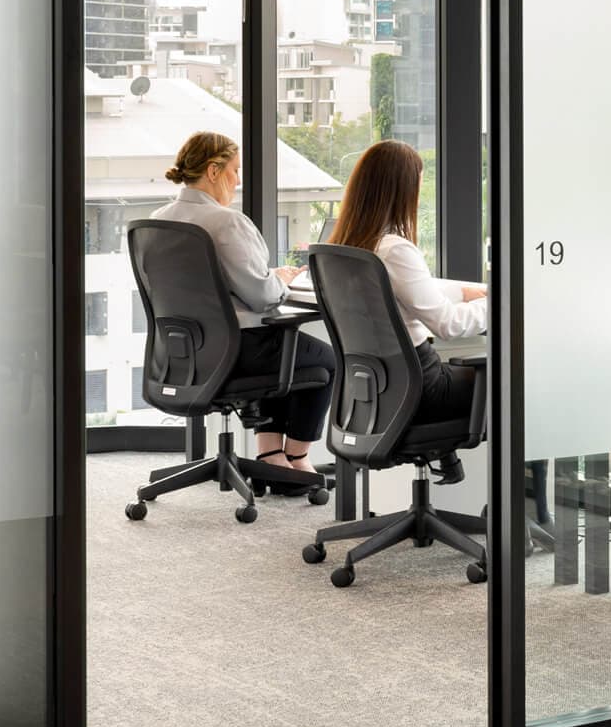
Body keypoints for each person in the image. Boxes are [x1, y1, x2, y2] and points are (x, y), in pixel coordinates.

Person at [152, 132, 338, 485]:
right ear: (213, 170)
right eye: (235, 171)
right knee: (325, 362)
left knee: (288, 353)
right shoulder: (227, 222)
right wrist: (280, 279)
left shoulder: (157, 220)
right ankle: (297, 460)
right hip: (237, 350)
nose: (238, 180)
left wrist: (265, 280)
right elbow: (263, 297)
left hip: (182, 354)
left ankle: (271, 455)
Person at [327, 139, 488, 422]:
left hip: (382, 389)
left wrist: (463, 292)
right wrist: (500, 304)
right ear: (402, 191)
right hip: (425, 387)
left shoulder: (348, 250)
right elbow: (448, 324)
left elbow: (404, 290)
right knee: (521, 381)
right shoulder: (395, 249)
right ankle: (526, 468)